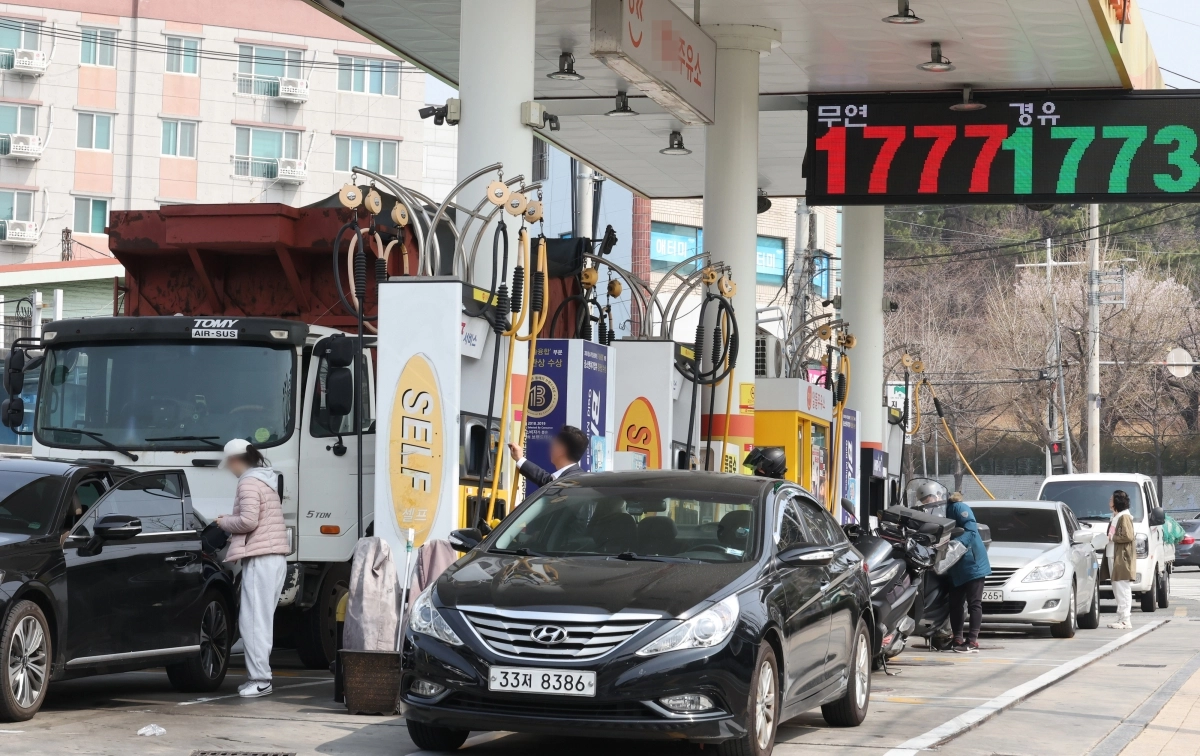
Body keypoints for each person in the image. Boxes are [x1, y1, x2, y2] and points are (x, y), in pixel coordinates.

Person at [216, 439, 290, 698]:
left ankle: (260, 680)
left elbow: (248, 521)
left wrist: (223, 522)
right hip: (274, 557)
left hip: (261, 558)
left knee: (253, 622)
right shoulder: (265, 479)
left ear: (236, 460)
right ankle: (261, 678)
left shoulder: (248, 481)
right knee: (261, 620)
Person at [946, 493, 991, 653]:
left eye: (928, 498)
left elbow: (971, 529)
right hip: (954, 564)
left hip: (972, 561)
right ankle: (957, 638)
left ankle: (972, 640)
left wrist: (956, 544)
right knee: (955, 603)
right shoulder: (936, 512)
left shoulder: (958, 507)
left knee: (974, 603)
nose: (927, 502)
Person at [507, 425, 588, 486]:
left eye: (554, 444)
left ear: (561, 450)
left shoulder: (569, 483)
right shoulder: (573, 477)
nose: (550, 447)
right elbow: (545, 479)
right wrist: (520, 459)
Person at [1106, 489, 1136, 630]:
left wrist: (1112, 538)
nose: (1109, 501)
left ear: (1117, 502)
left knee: (1122, 587)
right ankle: (1121, 617)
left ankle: (1125, 620)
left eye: (1111, 499)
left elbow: (1128, 536)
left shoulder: (1124, 517)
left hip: (1121, 557)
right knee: (1117, 588)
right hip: (1114, 555)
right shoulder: (1116, 516)